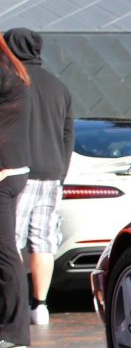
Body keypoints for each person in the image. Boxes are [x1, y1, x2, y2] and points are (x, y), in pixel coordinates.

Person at [4, 29, 73, 327]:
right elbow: (68, 134)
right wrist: (61, 172)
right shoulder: (60, 87)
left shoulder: (16, 82)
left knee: (11, 242)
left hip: (20, 171)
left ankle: (13, 309)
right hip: (53, 172)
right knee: (43, 241)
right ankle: (40, 306)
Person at [0, 32, 32, 348]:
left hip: (4, 174)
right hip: (13, 170)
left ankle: (14, 332)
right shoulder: (13, 72)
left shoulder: (4, 75)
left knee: (5, 252)